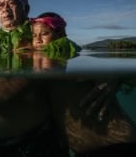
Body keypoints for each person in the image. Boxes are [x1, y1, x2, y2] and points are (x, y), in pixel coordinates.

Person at [0, 0, 124, 157]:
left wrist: (112, 76)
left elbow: (68, 47)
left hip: (34, 140)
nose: (5, 10)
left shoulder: (38, 35)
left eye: (12, 3)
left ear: (26, 8)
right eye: (1, 5)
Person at [30, 12, 136, 156]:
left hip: (119, 143)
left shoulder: (76, 61)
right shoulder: (38, 69)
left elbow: (112, 72)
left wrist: (114, 77)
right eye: (34, 35)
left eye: (44, 34)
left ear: (61, 33)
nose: (38, 40)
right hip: (83, 150)